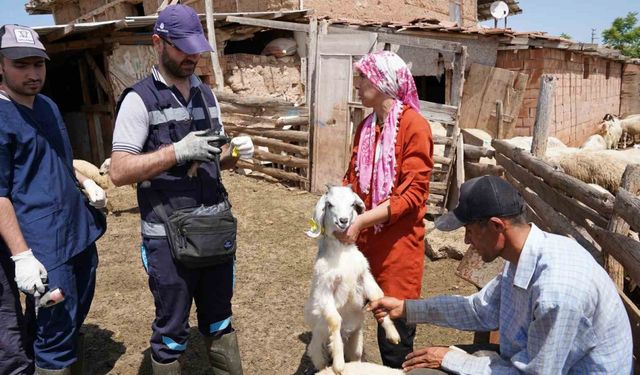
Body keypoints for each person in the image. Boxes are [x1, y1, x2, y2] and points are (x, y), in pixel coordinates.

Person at [109, 5, 253, 375]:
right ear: (158, 43)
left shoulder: (206, 94)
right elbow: (120, 171)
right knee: (172, 331)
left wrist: (233, 153)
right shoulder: (139, 100)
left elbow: (214, 157)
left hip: (214, 229)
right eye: (183, 48)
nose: (192, 56)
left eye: (197, 48)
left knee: (220, 320)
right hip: (167, 238)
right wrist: (176, 151)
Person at [369, 175, 633, 374]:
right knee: (423, 367)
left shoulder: (557, 291)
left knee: (430, 367)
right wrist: (407, 308)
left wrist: (453, 359)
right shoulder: (522, 257)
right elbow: (479, 310)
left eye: (470, 231)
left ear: (496, 226)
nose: (467, 240)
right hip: (530, 359)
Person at [0, 24, 107, 374]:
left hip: (76, 228)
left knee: (75, 309)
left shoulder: (46, 105)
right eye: (21, 65)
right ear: (1, 66)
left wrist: (84, 183)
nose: (33, 74)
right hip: (41, 240)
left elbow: (57, 159)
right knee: (56, 324)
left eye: (38, 64)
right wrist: (22, 255)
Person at [335, 50, 434, 368]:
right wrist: (338, 211)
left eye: (363, 78)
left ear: (382, 82)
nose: (357, 84)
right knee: (347, 327)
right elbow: (351, 179)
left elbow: (412, 195)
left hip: (397, 250)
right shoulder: (365, 127)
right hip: (362, 247)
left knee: (393, 337)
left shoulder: (415, 127)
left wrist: (361, 220)